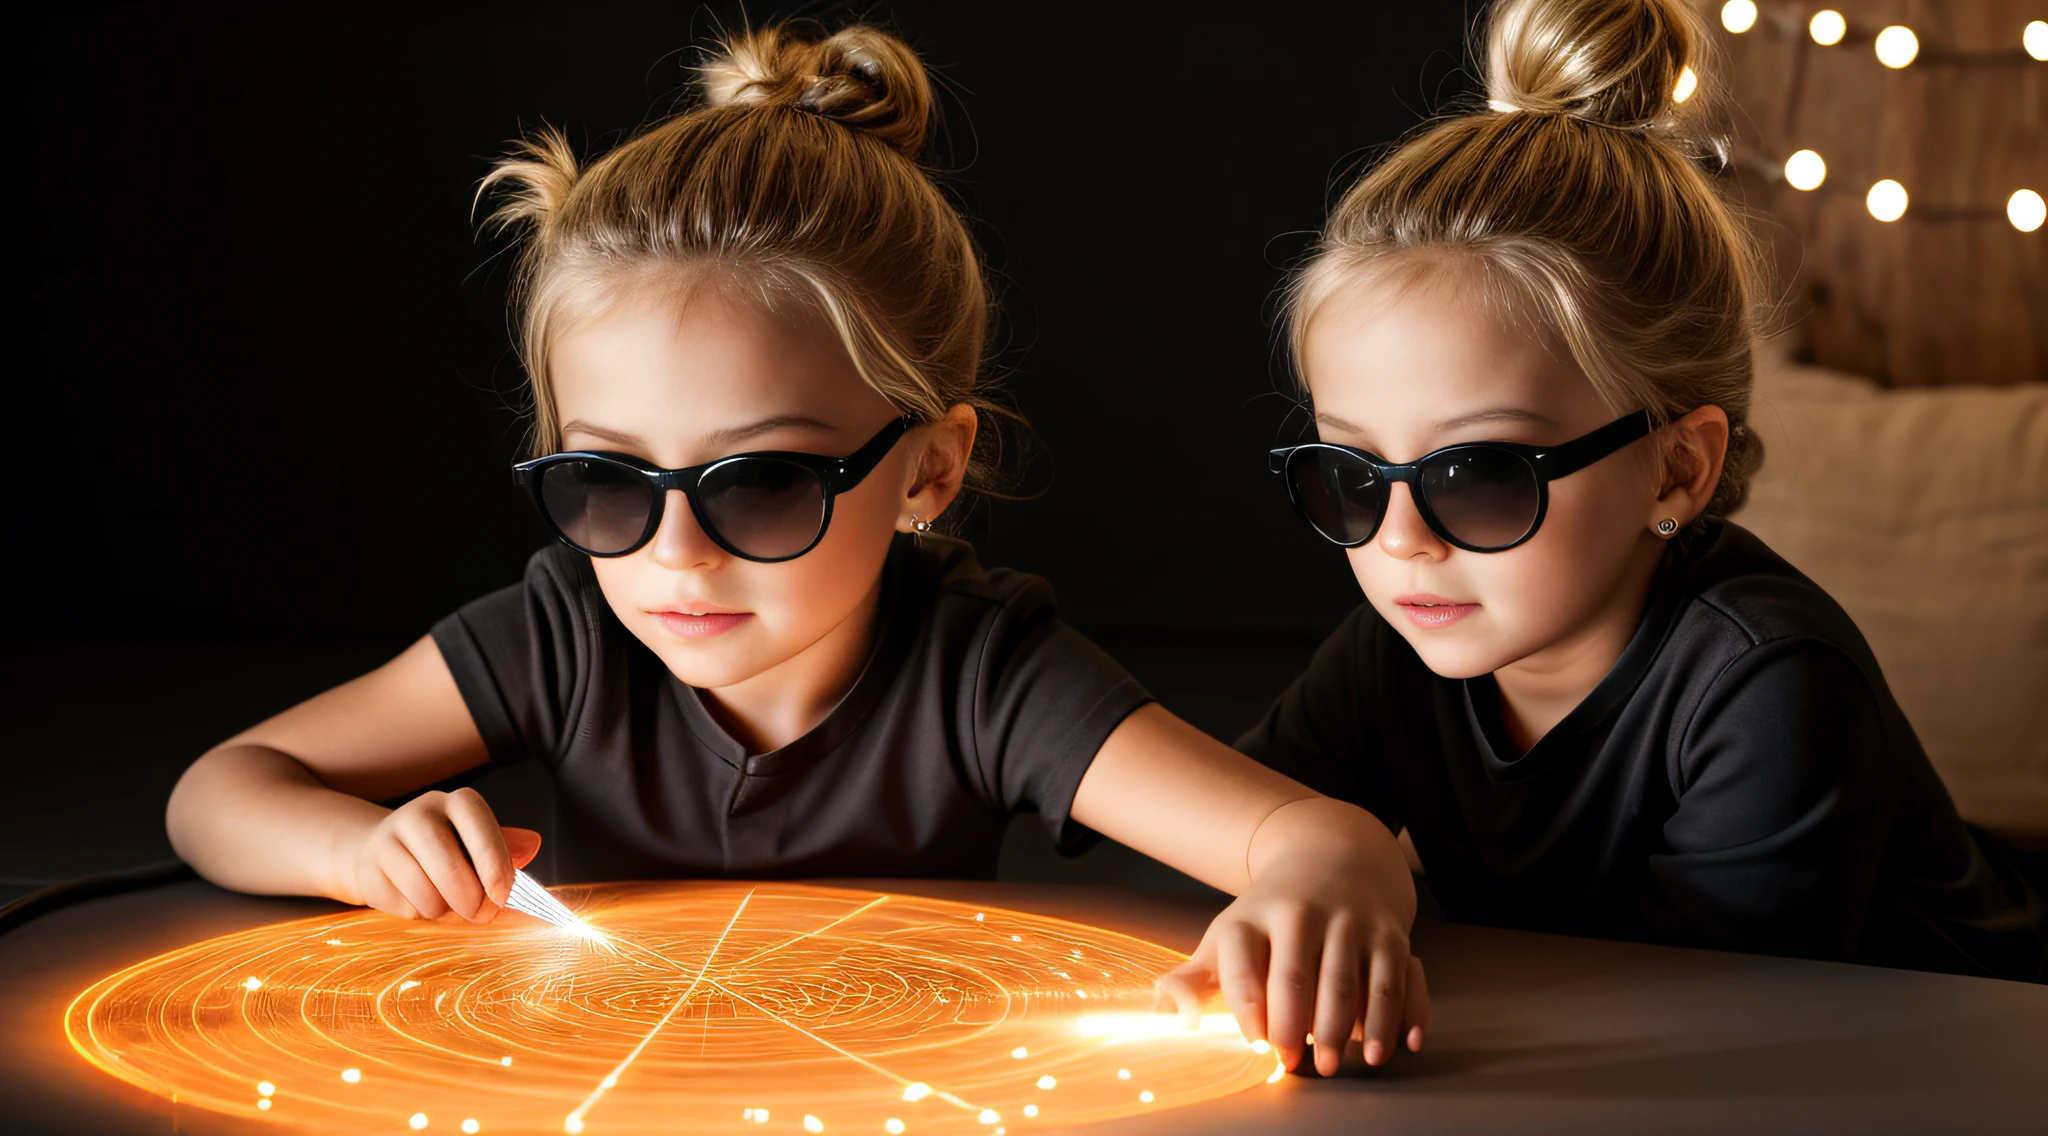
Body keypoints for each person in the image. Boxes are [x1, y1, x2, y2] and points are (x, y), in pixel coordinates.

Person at [164, 22, 1430, 1074]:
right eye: (605, 480)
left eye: (759, 486)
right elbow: (222, 785)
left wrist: (1322, 889)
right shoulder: (564, 628)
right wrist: (356, 847)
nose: (673, 553)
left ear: (927, 466)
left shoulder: (984, 672)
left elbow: (1324, 840)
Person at [1242, 0, 2045, 981]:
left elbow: (1695, 1032)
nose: (1401, 537)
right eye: (1353, 477)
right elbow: (1230, 826)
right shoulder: (1401, 646)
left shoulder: (1768, 685)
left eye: (1479, 475)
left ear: (1674, 467)